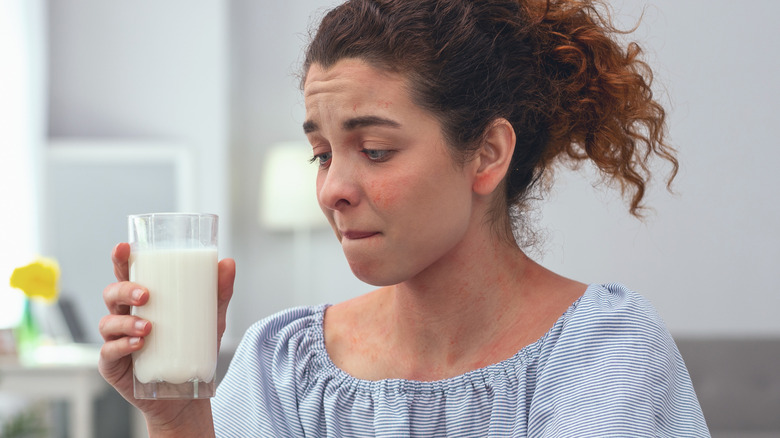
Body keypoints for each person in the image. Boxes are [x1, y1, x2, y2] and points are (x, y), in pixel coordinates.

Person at [99, 0, 710, 436]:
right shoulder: (279, 365)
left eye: (376, 151)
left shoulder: (605, 351)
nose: (332, 188)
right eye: (321, 154)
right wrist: (178, 420)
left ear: (487, 154)